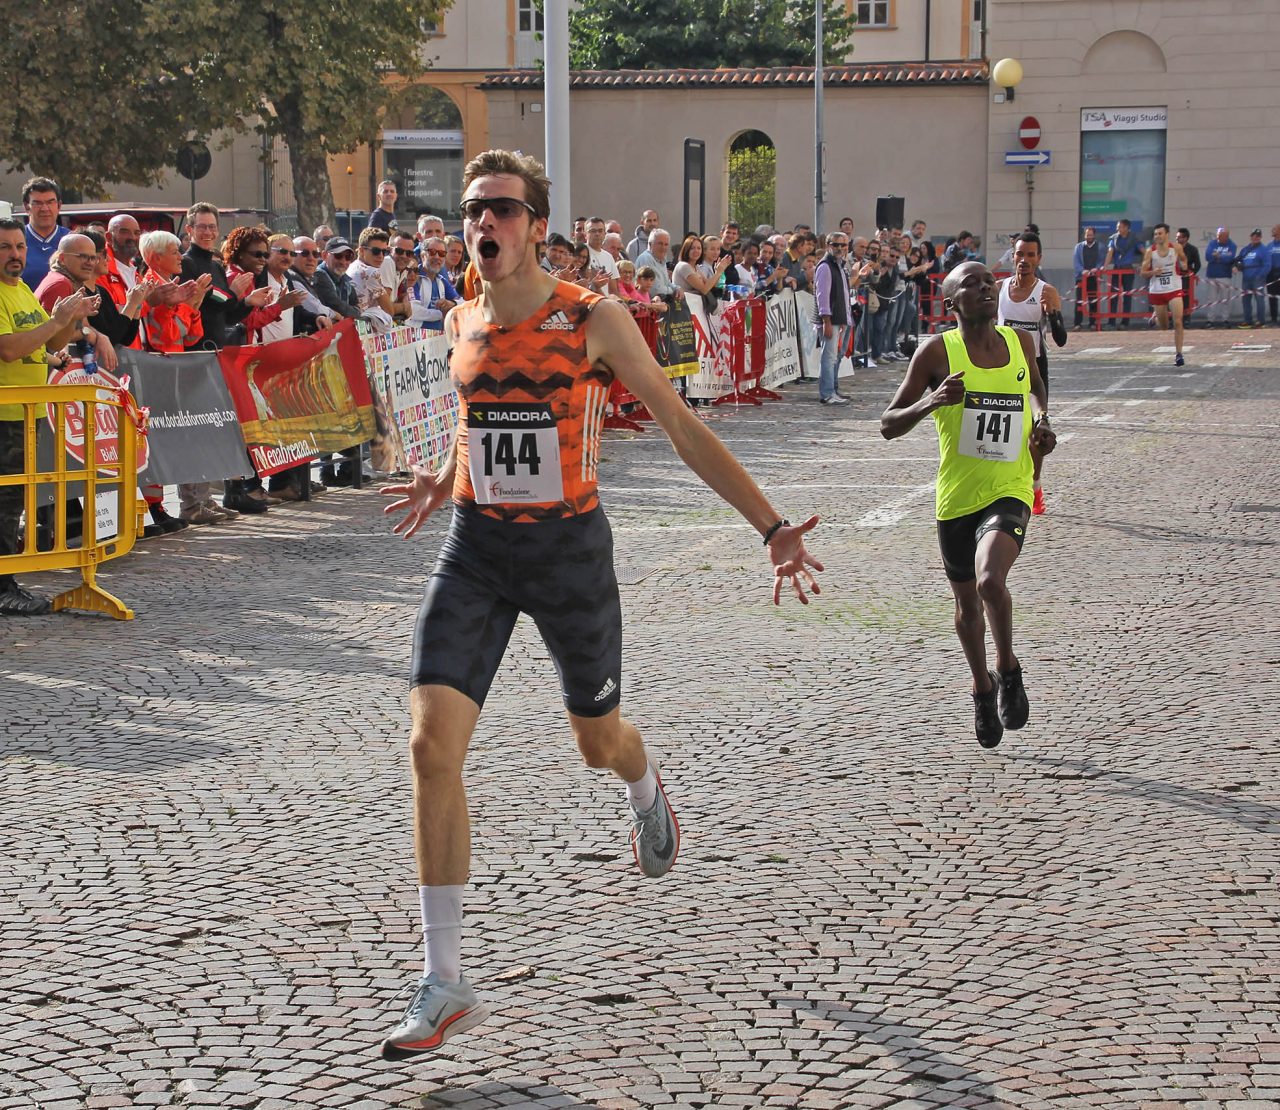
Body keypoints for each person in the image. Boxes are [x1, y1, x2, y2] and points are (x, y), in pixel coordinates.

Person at [376, 149, 823, 1060]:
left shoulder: (592, 317)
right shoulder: (461, 317)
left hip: (569, 554)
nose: (482, 224)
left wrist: (770, 525)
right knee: (429, 745)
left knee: (597, 739)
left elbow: (681, 423)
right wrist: (445, 479)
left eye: (501, 208)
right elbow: (485, 428)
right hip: (475, 551)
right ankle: (446, 976)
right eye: (472, 210)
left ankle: (645, 787)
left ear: (536, 224)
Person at [880, 260, 1055, 748]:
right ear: (949, 302)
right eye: (971, 284)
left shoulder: (1019, 343)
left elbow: (1036, 392)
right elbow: (888, 423)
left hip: (1012, 484)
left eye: (988, 282)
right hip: (957, 497)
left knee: (989, 580)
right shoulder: (937, 352)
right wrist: (931, 402)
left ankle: (1008, 666)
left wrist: (1042, 423)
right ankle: (982, 688)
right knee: (964, 604)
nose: (984, 288)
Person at [0, 217, 99, 614]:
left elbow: (46, 342)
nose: (15, 255)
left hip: (29, 411)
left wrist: (67, 320)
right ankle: (3, 584)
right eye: (5, 247)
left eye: (20, 247)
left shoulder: (22, 289)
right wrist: (57, 322)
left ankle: (7, 579)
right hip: (5, 413)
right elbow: (8, 349)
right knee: (4, 503)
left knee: (15, 501)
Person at [997, 233, 1066, 516]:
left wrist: (1052, 316)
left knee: (1037, 431)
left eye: (1030, 255)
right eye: (1019, 254)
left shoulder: (1046, 291)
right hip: (1001, 366)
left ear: (1039, 259)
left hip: (1034, 366)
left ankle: (1035, 487)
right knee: (1001, 428)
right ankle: (1002, 486)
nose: (1024, 260)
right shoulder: (999, 288)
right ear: (1012, 256)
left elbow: (1061, 339)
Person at [1140, 223, 1188, 366]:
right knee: (1164, 326)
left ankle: (1179, 354)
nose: (1157, 236)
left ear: (1167, 234)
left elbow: (1184, 259)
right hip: (1157, 290)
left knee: (1178, 321)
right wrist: (1153, 272)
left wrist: (1184, 265)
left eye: (1160, 233)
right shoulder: (1150, 252)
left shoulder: (1176, 248)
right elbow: (1142, 272)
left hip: (1174, 288)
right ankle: (1156, 318)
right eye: (1155, 234)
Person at [814, 231, 851, 405]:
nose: (839, 248)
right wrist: (826, 321)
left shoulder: (840, 265)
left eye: (843, 245)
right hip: (830, 320)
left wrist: (844, 319)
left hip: (840, 318)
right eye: (836, 244)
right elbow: (822, 296)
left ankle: (834, 390)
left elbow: (842, 293)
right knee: (828, 357)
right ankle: (827, 393)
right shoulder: (825, 266)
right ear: (828, 245)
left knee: (836, 356)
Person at [19, 177, 70, 290]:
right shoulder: (14, 240)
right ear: (27, 207)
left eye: (50, 202)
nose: (44, 208)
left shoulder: (72, 240)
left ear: (59, 205)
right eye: (37, 203)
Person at [407, 236, 458, 332]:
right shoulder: (413, 276)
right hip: (414, 340)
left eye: (442, 254)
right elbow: (413, 311)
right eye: (432, 252)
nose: (437, 257)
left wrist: (451, 303)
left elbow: (461, 302)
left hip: (436, 340)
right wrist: (443, 313)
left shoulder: (441, 280)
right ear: (423, 256)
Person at [1102, 218, 1139, 327]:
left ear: (1127, 228)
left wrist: (1144, 265)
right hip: (1117, 269)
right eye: (1117, 227)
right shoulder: (1113, 239)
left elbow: (1144, 251)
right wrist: (1105, 266)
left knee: (1127, 296)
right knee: (1113, 296)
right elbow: (1110, 252)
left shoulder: (1134, 239)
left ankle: (1125, 322)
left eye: (1120, 227)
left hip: (1128, 269)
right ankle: (1111, 322)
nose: (1117, 229)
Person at [1233, 229, 1270, 329]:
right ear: (1251, 237)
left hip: (1257, 279)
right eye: (1254, 235)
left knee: (1259, 300)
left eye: (1258, 236)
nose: (1255, 237)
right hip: (1246, 278)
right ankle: (1248, 320)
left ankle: (1261, 321)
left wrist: (1260, 276)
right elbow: (1238, 259)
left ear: (1260, 237)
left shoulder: (1264, 250)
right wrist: (1236, 266)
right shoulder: (1246, 249)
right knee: (1246, 300)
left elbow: (1267, 265)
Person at [1202, 228, 1237, 328]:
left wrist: (1218, 256)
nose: (1218, 238)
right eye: (1217, 235)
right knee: (1211, 299)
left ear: (1226, 236)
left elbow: (1229, 259)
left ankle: (1225, 319)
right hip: (1212, 275)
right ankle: (1210, 320)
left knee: (1225, 299)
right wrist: (1219, 257)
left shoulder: (1231, 245)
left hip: (1225, 275)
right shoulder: (1212, 243)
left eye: (1220, 236)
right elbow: (1208, 257)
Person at [1071, 227, 1102, 329]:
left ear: (1094, 235)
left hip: (1093, 277)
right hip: (1081, 278)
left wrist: (1096, 269)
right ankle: (1077, 323)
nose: (1089, 237)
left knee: (1093, 300)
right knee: (1079, 301)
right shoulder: (1078, 247)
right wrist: (1082, 271)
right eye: (1087, 235)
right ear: (1084, 235)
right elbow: (1076, 262)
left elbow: (1101, 260)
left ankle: (1092, 323)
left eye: (1091, 235)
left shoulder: (1099, 247)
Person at [1175, 228, 1201, 324]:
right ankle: (1171, 319)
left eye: (1179, 237)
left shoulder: (1192, 249)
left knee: (1186, 298)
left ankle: (1186, 320)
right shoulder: (1172, 248)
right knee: (1173, 298)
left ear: (1185, 238)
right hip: (1174, 277)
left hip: (1186, 278)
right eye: (1176, 237)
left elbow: (1197, 264)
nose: (1177, 239)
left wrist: (1191, 274)